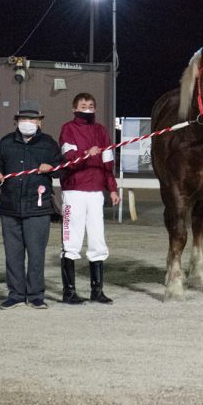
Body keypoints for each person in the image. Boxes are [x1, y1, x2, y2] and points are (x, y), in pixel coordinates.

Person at [0, 101, 61, 310]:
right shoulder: (6, 143)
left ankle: (36, 294)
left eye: (32, 119)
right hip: (10, 207)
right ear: (16, 121)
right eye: (23, 119)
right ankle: (16, 294)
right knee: (12, 253)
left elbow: (61, 169)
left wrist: (51, 168)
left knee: (36, 253)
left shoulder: (48, 143)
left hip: (38, 208)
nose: (27, 123)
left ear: (39, 122)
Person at [58, 92, 120, 305]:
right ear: (74, 108)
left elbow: (108, 163)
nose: (87, 109)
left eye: (91, 105)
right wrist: (87, 153)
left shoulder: (101, 131)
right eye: (83, 105)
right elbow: (68, 158)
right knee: (71, 240)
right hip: (74, 191)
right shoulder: (68, 129)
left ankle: (97, 290)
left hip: (95, 193)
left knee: (97, 240)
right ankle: (69, 291)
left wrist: (112, 189)